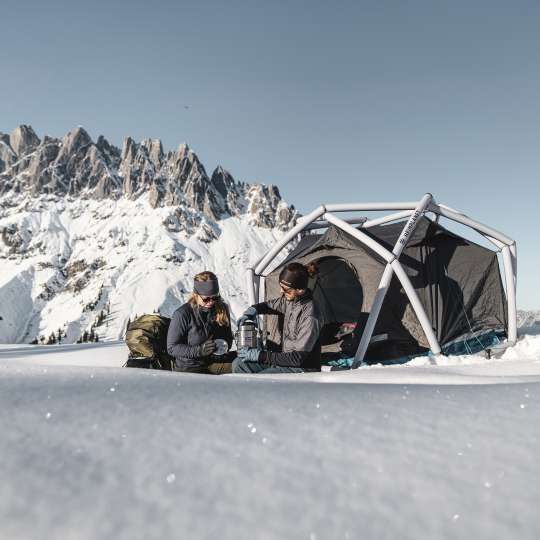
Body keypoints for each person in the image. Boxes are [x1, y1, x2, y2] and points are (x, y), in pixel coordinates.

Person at [233, 262, 321, 374]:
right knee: (239, 364)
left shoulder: (310, 315)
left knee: (262, 379)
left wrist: (260, 355)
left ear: (300, 290)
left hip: (302, 368)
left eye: (286, 289)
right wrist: (251, 311)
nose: (281, 292)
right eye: (281, 287)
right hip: (285, 361)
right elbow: (269, 306)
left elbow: (298, 357)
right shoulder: (290, 301)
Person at [167, 271, 234, 374]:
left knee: (245, 364)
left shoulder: (222, 309)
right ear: (196, 295)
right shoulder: (182, 314)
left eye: (215, 297)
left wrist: (222, 347)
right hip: (190, 368)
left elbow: (228, 337)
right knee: (239, 367)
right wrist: (199, 350)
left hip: (214, 362)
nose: (211, 302)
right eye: (206, 299)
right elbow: (172, 348)